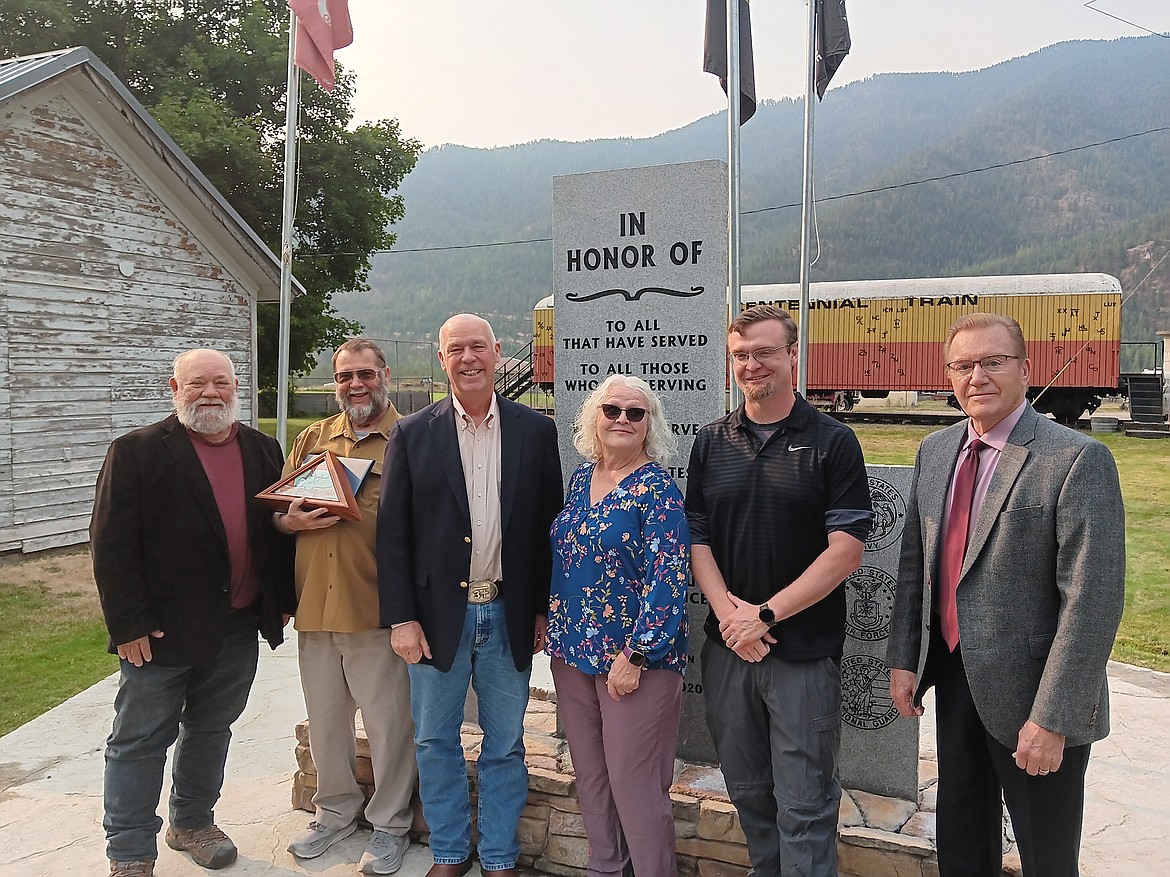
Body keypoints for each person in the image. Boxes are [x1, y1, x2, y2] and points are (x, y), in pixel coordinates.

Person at [887, 313, 1125, 877]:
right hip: (954, 678)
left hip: (1035, 697)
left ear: (1025, 369)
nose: (978, 377)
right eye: (964, 365)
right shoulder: (936, 452)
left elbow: (1092, 602)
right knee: (963, 845)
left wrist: (1053, 718)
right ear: (948, 376)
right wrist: (904, 659)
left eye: (993, 362)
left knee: (1046, 858)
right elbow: (916, 565)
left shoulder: (1074, 460)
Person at [90, 349, 295, 877]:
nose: (210, 393)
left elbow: (269, 530)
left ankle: (192, 822)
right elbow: (111, 544)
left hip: (236, 625)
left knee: (211, 728)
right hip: (161, 632)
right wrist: (128, 623)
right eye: (197, 383)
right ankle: (130, 851)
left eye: (221, 383)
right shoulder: (136, 452)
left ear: (236, 388)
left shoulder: (262, 448)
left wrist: (280, 601)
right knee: (138, 741)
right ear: (174, 388)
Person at [685, 305, 872, 877]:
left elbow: (846, 549)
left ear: (793, 356)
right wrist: (730, 617)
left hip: (802, 653)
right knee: (748, 792)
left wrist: (764, 615)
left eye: (764, 352)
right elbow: (697, 540)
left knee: (806, 802)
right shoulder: (711, 442)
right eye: (740, 355)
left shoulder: (832, 442)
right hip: (729, 652)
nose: (751, 364)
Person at [377, 313, 563, 877]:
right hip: (435, 619)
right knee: (436, 741)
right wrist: (402, 618)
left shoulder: (535, 431)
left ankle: (501, 857)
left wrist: (540, 608)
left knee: (505, 744)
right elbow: (393, 535)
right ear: (442, 359)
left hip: (508, 611)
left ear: (497, 350)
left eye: (477, 346)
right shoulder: (412, 433)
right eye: (455, 349)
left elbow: (548, 527)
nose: (468, 358)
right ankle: (452, 852)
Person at [278, 339, 418, 875]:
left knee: (388, 726)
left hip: (377, 610)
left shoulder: (411, 438)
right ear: (335, 381)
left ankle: (389, 826)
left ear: (385, 374)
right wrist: (288, 522)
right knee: (326, 723)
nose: (355, 385)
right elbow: (278, 510)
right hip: (315, 606)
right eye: (344, 377)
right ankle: (334, 813)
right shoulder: (314, 439)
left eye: (365, 374)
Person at [545, 375, 690, 877]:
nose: (622, 420)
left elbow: (669, 577)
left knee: (635, 779)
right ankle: (607, 868)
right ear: (594, 418)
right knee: (591, 775)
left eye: (635, 412)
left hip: (634, 662)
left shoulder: (658, 490)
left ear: (650, 424)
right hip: (571, 652)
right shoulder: (580, 480)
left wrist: (638, 655)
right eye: (612, 410)